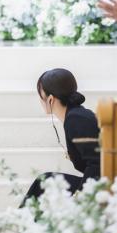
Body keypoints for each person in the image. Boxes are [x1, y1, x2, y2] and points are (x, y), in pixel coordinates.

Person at [21, 68, 100, 205]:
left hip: (101, 189)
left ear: (50, 99)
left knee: (44, 183)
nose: (40, 100)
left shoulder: (75, 119)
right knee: (45, 182)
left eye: (41, 95)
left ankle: (20, 219)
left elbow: (96, 164)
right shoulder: (76, 115)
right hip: (98, 184)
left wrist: (79, 196)